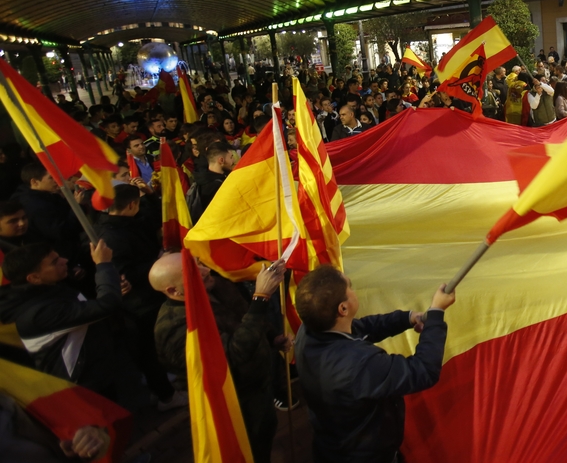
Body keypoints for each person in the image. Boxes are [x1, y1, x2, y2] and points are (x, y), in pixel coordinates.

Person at [294, 266, 456, 463]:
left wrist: (408, 318)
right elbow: (423, 371)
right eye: (350, 287)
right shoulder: (358, 364)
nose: (354, 290)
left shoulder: (310, 329)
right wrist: (437, 313)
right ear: (343, 308)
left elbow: (362, 328)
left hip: (332, 444)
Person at [151, 254, 287, 463]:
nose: (205, 271)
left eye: (199, 263)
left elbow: (243, 316)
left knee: (264, 437)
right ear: (172, 290)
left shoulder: (216, 286)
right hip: (236, 405)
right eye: (193, 272)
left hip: (259, 387)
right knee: (249, 451)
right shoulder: (176, 328)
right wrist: (260, 298)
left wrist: (272, 338)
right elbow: (232, 356)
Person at [96, 185, 185, 411]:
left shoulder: (127, 223)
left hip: (149, 295)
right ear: (131, 204)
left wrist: (152, 195)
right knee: (149, 348)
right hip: (140, 303)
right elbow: (125, 273)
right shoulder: (113, 236)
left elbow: (156, 217)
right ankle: (165, 395)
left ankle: (166, 381)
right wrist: (159, 261)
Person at [0, 241, 123, 398]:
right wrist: (104, 265)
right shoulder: (39, 313)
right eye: (54, 262)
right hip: (82, 388)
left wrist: (112, 286)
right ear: (34, 278)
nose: (64, 260)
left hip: (98, 372)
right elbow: (107, 305)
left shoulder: (48, 289)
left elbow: (91, 306)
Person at [188, 141, 235, 223]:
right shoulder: (217, 187)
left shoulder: (201, 180)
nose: (233, 161)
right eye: (231, 157)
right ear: (221, 160)